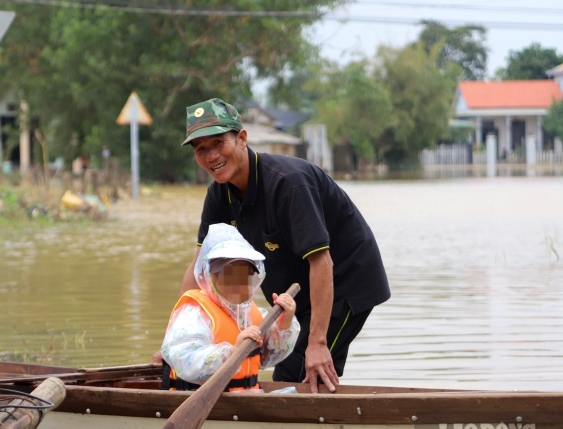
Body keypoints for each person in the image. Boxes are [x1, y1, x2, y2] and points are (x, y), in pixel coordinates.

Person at [179, 97, 390, 394]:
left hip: (344, 282)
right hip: (294, 293)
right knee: (294, 370)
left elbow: (322, 262)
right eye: (201, 149)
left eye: (218, 143)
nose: (211, 156)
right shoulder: (219, 194)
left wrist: (318, 342)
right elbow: (199, 265)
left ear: (242, 138)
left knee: (300, 371)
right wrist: (176, 339)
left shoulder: (288, 183)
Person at [160, 223, 299, 393]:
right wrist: (231, 353)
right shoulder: (194, 314)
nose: (238, 282)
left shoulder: (251, 313)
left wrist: (284, 325)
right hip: (205, 399)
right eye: (229, 274)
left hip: (247, 397)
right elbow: (185, 360)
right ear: (211, 276)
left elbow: (267, 358)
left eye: (245, 274)